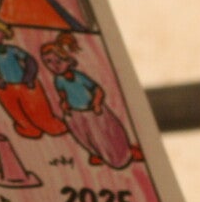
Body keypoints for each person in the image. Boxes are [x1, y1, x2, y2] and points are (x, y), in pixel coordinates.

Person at [39, 33, 140, 169]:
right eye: (48, 62)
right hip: (77, 114)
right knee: (84, 136)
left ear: (68, 60)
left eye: (58, 61)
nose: (54, 66)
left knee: (107, 134)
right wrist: (64, 104)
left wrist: (96, 103)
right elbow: (63, 95)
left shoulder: (79, 77)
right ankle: (96, 153)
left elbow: (98, 90)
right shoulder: (58, 80)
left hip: (93, 111)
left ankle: (125, 153)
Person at [0, 14, 65, 139]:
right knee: (16, 111)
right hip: (6, 87)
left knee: (37, 107)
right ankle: (27, 127)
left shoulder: (12, 50)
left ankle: (49, 124)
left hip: (25, 83)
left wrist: (29, 77)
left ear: (3, 31)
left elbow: (29, 60)